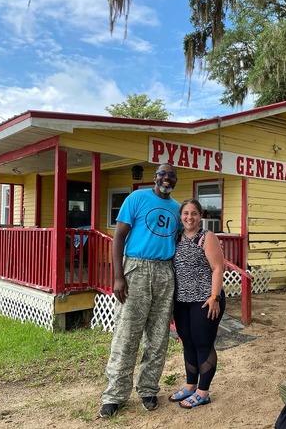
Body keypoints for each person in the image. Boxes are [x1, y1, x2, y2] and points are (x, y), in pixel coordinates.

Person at [99, 163, 181, 418]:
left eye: (171, 176)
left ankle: (148, 389)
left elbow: (176, 242)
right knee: (127, 334)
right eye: (162, 174)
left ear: (175, 181)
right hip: (136, 268)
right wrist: (118, 276)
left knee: (158, 337)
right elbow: (119, 237)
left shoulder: (178, 209)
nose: (166, 179)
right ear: (155, 177)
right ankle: (114, 395)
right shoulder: (136, 198)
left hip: (165, 271)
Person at [168, 199, 226, 408]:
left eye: (194, 213)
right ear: (180, 216)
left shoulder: (206, 237)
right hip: (182, 301)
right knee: (188, 343)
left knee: (203, 344)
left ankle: (203, 391)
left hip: (205, 300)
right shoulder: (176, 237)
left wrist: (215, 297)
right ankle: (191, 385)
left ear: (200, 216)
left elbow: (218, 268)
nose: (189, 217)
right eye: (185, 213)